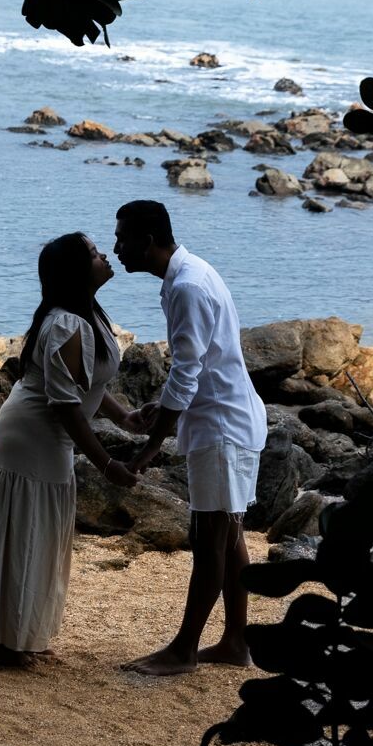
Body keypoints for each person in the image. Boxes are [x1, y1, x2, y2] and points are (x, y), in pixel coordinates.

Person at [0, 233, 142, 667]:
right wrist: (106, 463)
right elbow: (65, 406)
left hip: (43, 431)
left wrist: (124, 418)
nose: (104, 257)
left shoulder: (87, 314)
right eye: (96, 254)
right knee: (27, 532)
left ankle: (15, 634)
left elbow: (89, 383)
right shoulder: (65, 323)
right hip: (34, 435)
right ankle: (0, 642)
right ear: (79, 271)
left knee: (36, 532)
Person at [113, 200, 267, 676]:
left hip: (223, 429)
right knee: (228, 536)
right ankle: (236, 641)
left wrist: (151, 447)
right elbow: (198, 366)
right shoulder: (185, 277)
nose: (116, 249)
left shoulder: (187, 286)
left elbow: (186, 374)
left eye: (122, 238)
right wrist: (164, 409)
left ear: (148, 240)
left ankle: (184, 650)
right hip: (224, 420)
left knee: (209, 542)